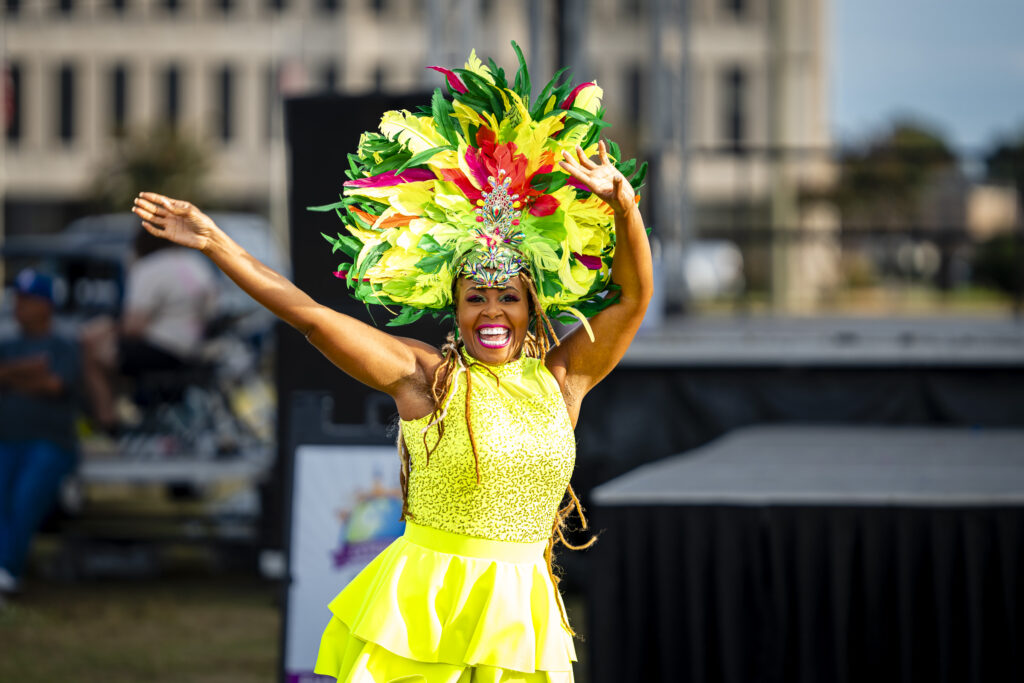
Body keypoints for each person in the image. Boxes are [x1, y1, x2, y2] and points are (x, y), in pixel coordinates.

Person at [130, 47, 652, 682]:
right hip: (425, 609)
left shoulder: (562, 380)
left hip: (521, 615)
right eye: (475, 298)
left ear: (531, 304)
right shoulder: (427, 377)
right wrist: (216, 242)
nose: (492, 312)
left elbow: (631, 298)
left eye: (507, 297)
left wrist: (624, 204)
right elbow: (311, 316)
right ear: (455, 307)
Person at [82, 226, 218, 429]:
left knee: (92, 353)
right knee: (105, 344)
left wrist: (105, 329)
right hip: (196, 350)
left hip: (163, 351)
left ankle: (108, 422)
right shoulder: (195, 263)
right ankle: (135, 412)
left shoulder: (149, 268)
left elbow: (133, 327)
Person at [0, 269, 81, 595]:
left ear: (46, 305)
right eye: (17, 298)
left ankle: (6, 571)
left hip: (50, 444)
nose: (19, 306)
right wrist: (30, 370)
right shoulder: (9, 343)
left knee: (24, 501)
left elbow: (54, 385)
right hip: (7, 441)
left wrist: (9, 376)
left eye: (27, 300)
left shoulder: (64, 343)